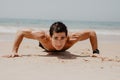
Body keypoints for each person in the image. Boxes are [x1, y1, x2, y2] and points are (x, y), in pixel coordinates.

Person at [9, 21, 100, 58]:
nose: (59, 42)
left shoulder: (72, 38)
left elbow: (91, 33)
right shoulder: (43, 37)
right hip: (45, 46)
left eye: (62, 38)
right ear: (50, 36)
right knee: (41, 43)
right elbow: (20, 32)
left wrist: (95, 52)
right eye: (56, 38)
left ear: (67, 36)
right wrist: (14, 51)